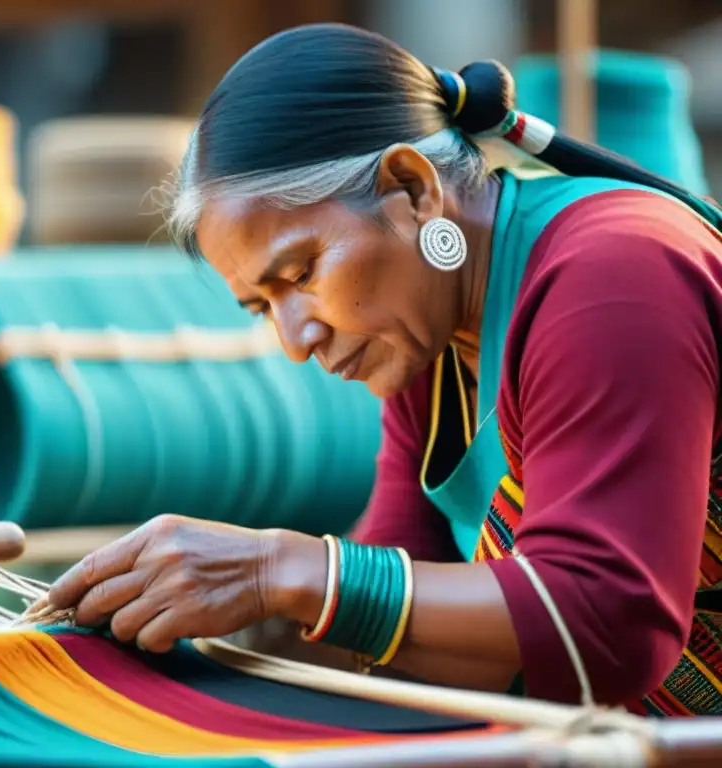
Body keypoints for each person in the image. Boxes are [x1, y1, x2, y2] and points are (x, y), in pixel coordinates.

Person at [44, 23, 722, 717]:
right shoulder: (430, 350)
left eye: (301, 272)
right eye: (261, 307)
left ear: (413, 189)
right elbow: (391, 618)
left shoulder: (615, 274)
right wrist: (173, 621)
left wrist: (278, 571)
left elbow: (610, 622)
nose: (296, 340)